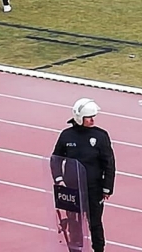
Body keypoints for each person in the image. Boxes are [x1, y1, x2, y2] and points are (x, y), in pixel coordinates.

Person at [53, 98, 116, 252]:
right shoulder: (66, 136)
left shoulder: (101, 136)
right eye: (89, 117)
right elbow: (55, 159)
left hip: (93, 189)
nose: (92, 120)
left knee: (95, 223)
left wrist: (107, 188)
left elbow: (109, 163)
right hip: (72, 189)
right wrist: (59, 180)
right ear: (79, 117)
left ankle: (99, 250)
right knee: (74, 224)